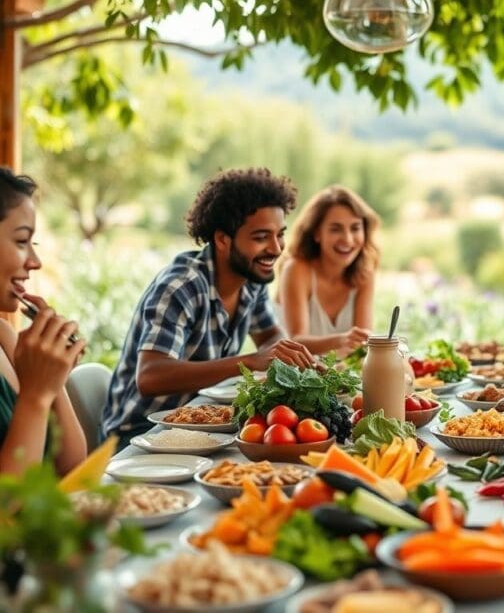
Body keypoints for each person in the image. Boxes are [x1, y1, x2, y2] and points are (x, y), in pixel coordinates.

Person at [102, 168, 316, 447]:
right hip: (138, 436)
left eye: (280, 235)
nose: (276, 248)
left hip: (198, 428)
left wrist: (287, 355)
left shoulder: (250, 281)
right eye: (261, 237)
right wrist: (250, 361)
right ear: (223, 239)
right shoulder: (182, 286)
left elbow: (270, 337)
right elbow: (150, 377)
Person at [0, 168, 87, 476]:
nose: (35, 263)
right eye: (22, 241)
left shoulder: (5, 337)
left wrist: (52, 379)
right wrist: (35, 397)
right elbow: (10, 499)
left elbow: (72, 466)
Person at [276, 185, 380, 357]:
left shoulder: (364, 273)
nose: (347, 239)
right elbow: (296, 341)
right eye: (335, 229)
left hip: (338, 371)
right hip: (289, 371)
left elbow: (361, 345)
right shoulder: (296, 269)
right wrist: (342, 340)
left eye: (355, 228)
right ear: (317, 233)